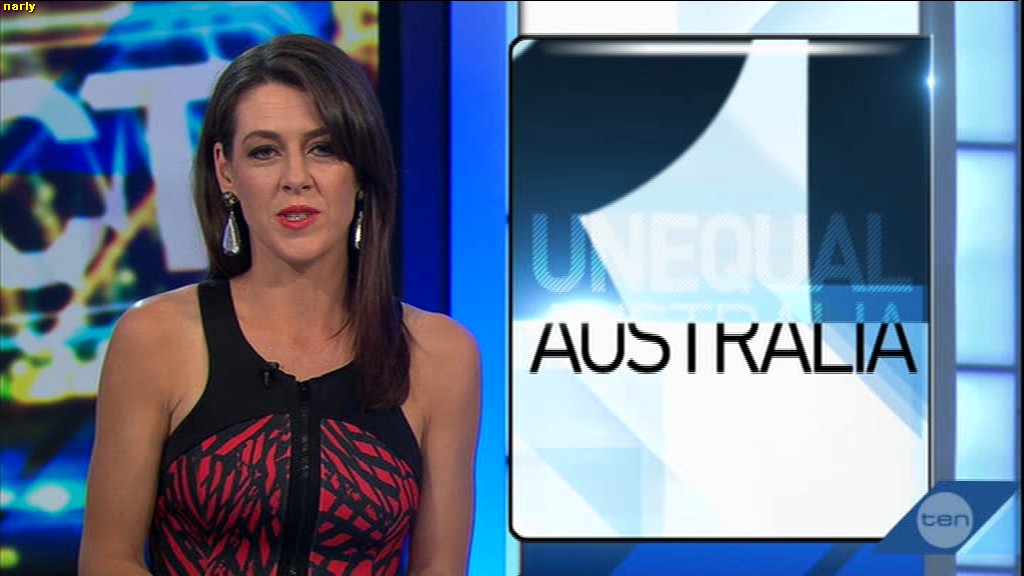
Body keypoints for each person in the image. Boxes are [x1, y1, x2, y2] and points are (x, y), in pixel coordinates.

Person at [78, 33, 480, 576]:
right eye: (264, 152)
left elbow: (439, 568)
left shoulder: (440, 354)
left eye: (323, 148)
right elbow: (109, 560)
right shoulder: (155, 337)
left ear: (361, 170)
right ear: (226, 171)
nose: (296, 179)